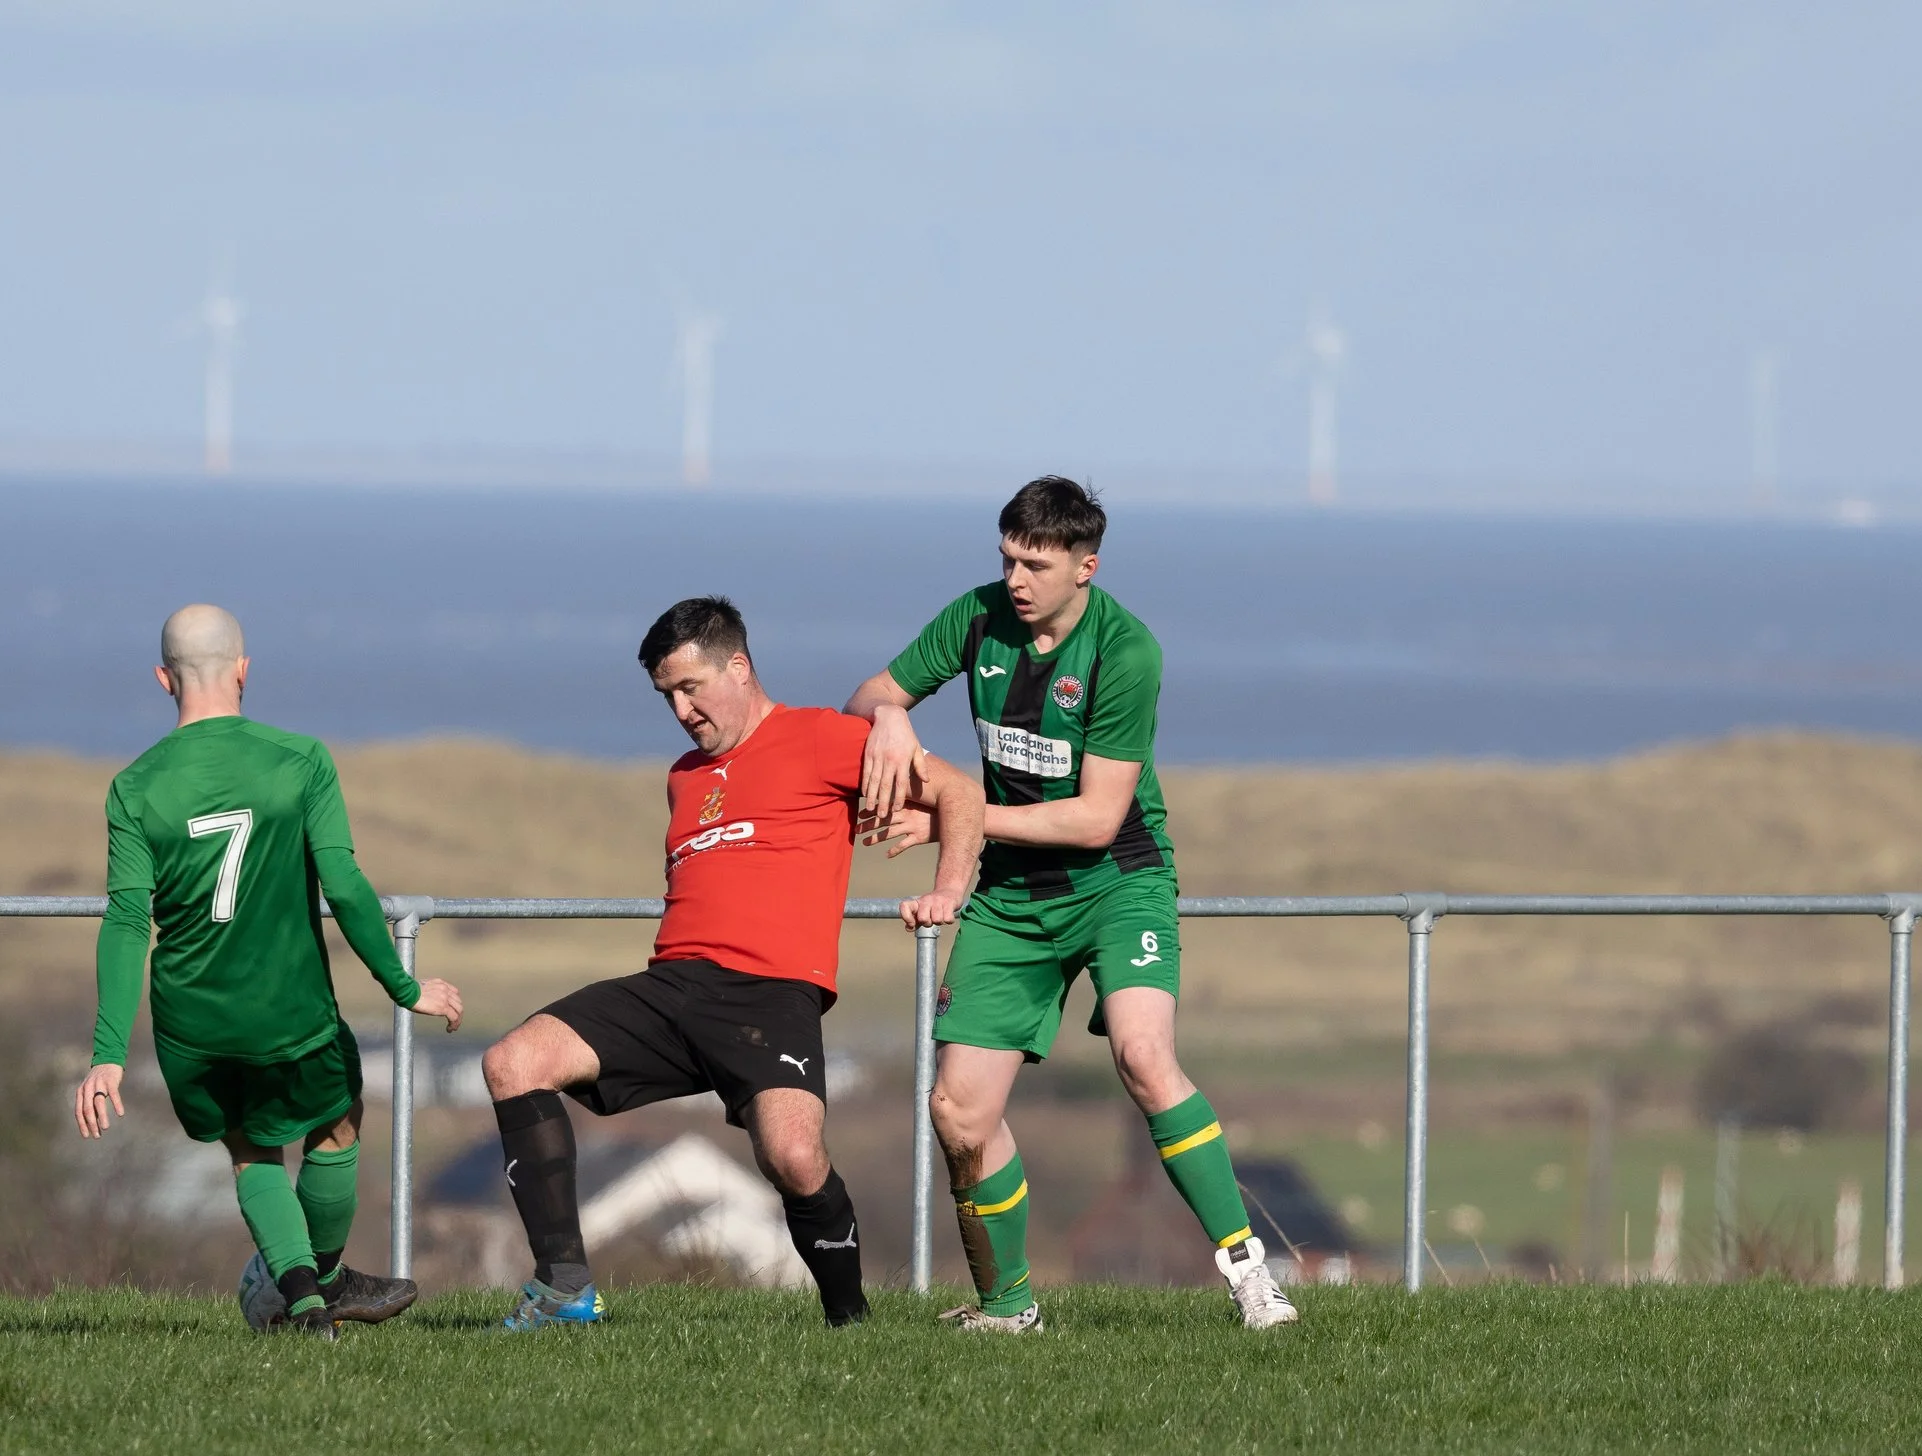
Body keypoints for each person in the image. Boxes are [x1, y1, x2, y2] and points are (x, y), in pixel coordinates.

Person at [846, 477, 1300, 1332]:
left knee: (1142, 1054)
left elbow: (1096, 820)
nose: (1016, 579)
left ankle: (1251, 1279)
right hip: (1011, 894)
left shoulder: (1126, 651)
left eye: (1037, 564)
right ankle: (1011, 1309)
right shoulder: (976, 617)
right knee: (959, 1110)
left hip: (1118, 881)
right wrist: (892, 722)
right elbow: (868, 695)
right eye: (1007, 558)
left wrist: (962, 813)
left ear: (1085, 566)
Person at [480, 596, 982, 1331]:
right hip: (671, 986)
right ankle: (562, 1289)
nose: (681, 710)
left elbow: (959, 793)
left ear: (738, 667)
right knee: (512, 1062)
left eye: (691, 688)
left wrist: (946, 889)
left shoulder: (821, 737)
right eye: (667, 696)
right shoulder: (683, 777)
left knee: (794, 1156)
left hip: (771, 992)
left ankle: (852, 1323)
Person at [73, 604, 464, 1336]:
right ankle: (321, 1283)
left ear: (164, 680)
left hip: (193, 1021)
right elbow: (344, 888)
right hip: (291, 1013)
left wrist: (106, 1056)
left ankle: (307, 1306)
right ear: (245, 671)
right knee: (337, 1122)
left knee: (251, 1151)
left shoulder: (133, 787)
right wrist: (405, 987)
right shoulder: (301, 760)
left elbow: (127, 922)